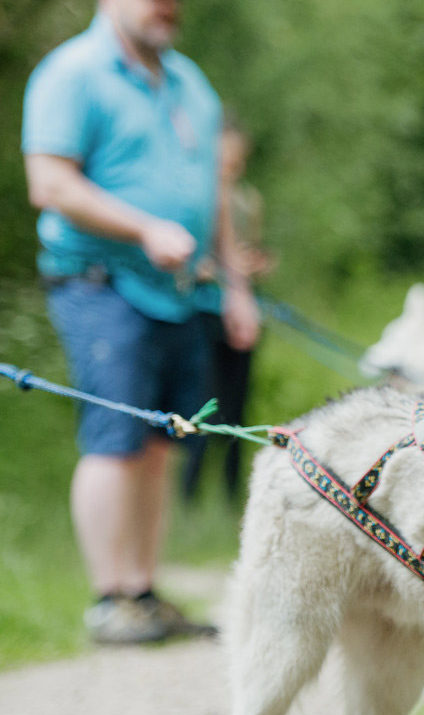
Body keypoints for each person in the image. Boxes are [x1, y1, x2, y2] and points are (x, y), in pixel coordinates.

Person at [22, 0, 260, 644]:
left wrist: (235, 288)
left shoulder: (191, 82)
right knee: (115, 440)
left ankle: (144, 593)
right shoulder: (71, 74)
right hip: (101, 285)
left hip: (181, 295)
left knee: (161, 441)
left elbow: (212, 196)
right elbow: (50, 184)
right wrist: (144, 227)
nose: (170, 9)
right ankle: (110, 600)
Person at [182, 118, 272, 506]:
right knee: (204, 401)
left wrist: (253, 265)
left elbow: (247, 248)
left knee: (238, 406)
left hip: (240, 312)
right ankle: (189, 494)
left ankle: (233, 495)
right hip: (203, 313)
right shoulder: (194, 196)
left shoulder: (249, 200)